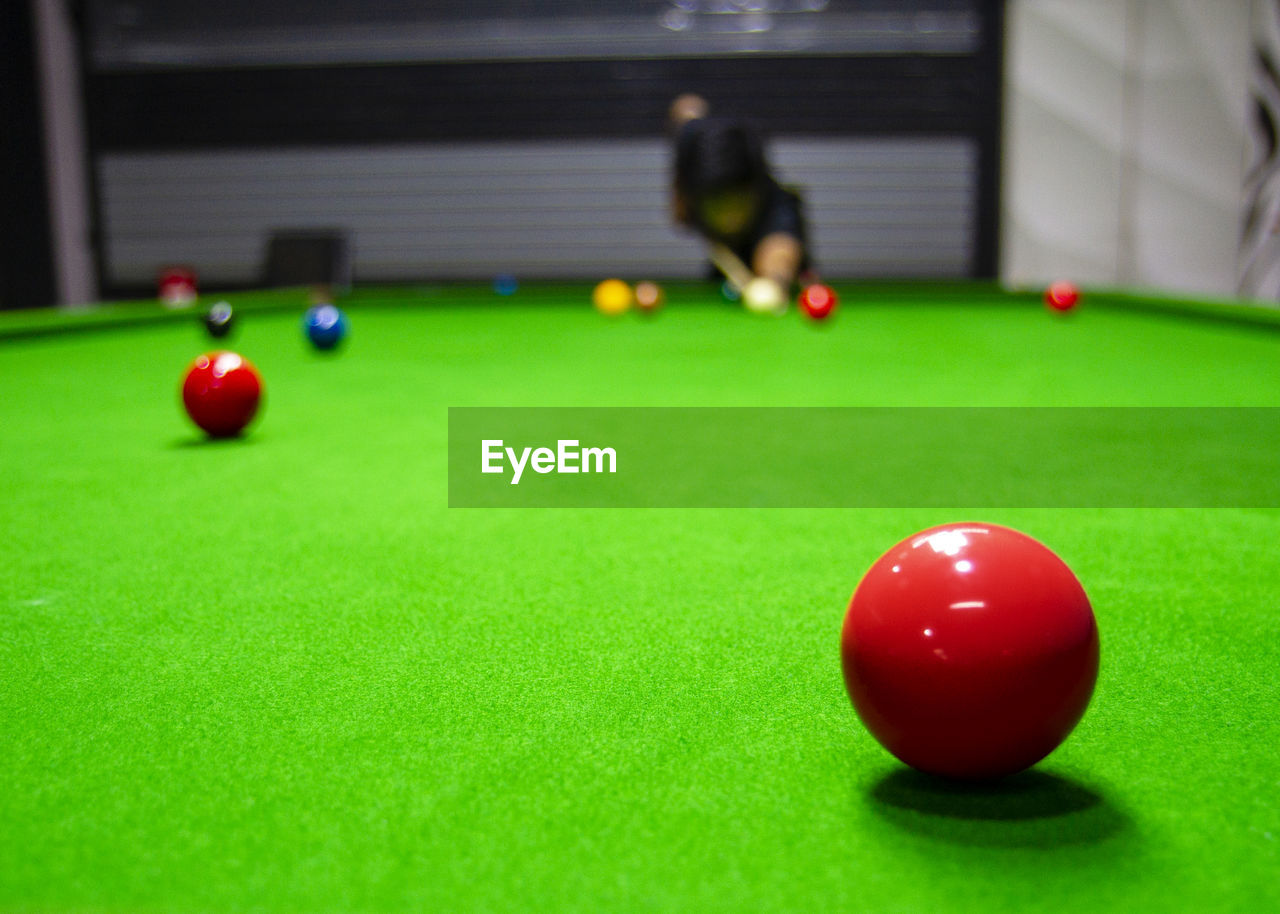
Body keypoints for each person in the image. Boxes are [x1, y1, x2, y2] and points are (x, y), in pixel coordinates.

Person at [668, 94, 810, 298]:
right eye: (717, 203)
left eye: (735, 202)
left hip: (789, 287)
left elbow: (780, 251)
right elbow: (684, 108)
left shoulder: (777, 205)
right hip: (723, 283)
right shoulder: (693, 190)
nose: (729, 218)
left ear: (754, 190)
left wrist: (773, 281)